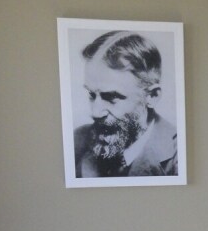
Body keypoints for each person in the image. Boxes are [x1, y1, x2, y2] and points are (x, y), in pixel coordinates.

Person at [73, 31, 178, 177]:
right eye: (92, 95)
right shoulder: (76, 141)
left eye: (111, 97)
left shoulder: (179, 156)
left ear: (152, 96)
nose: (95, 112)